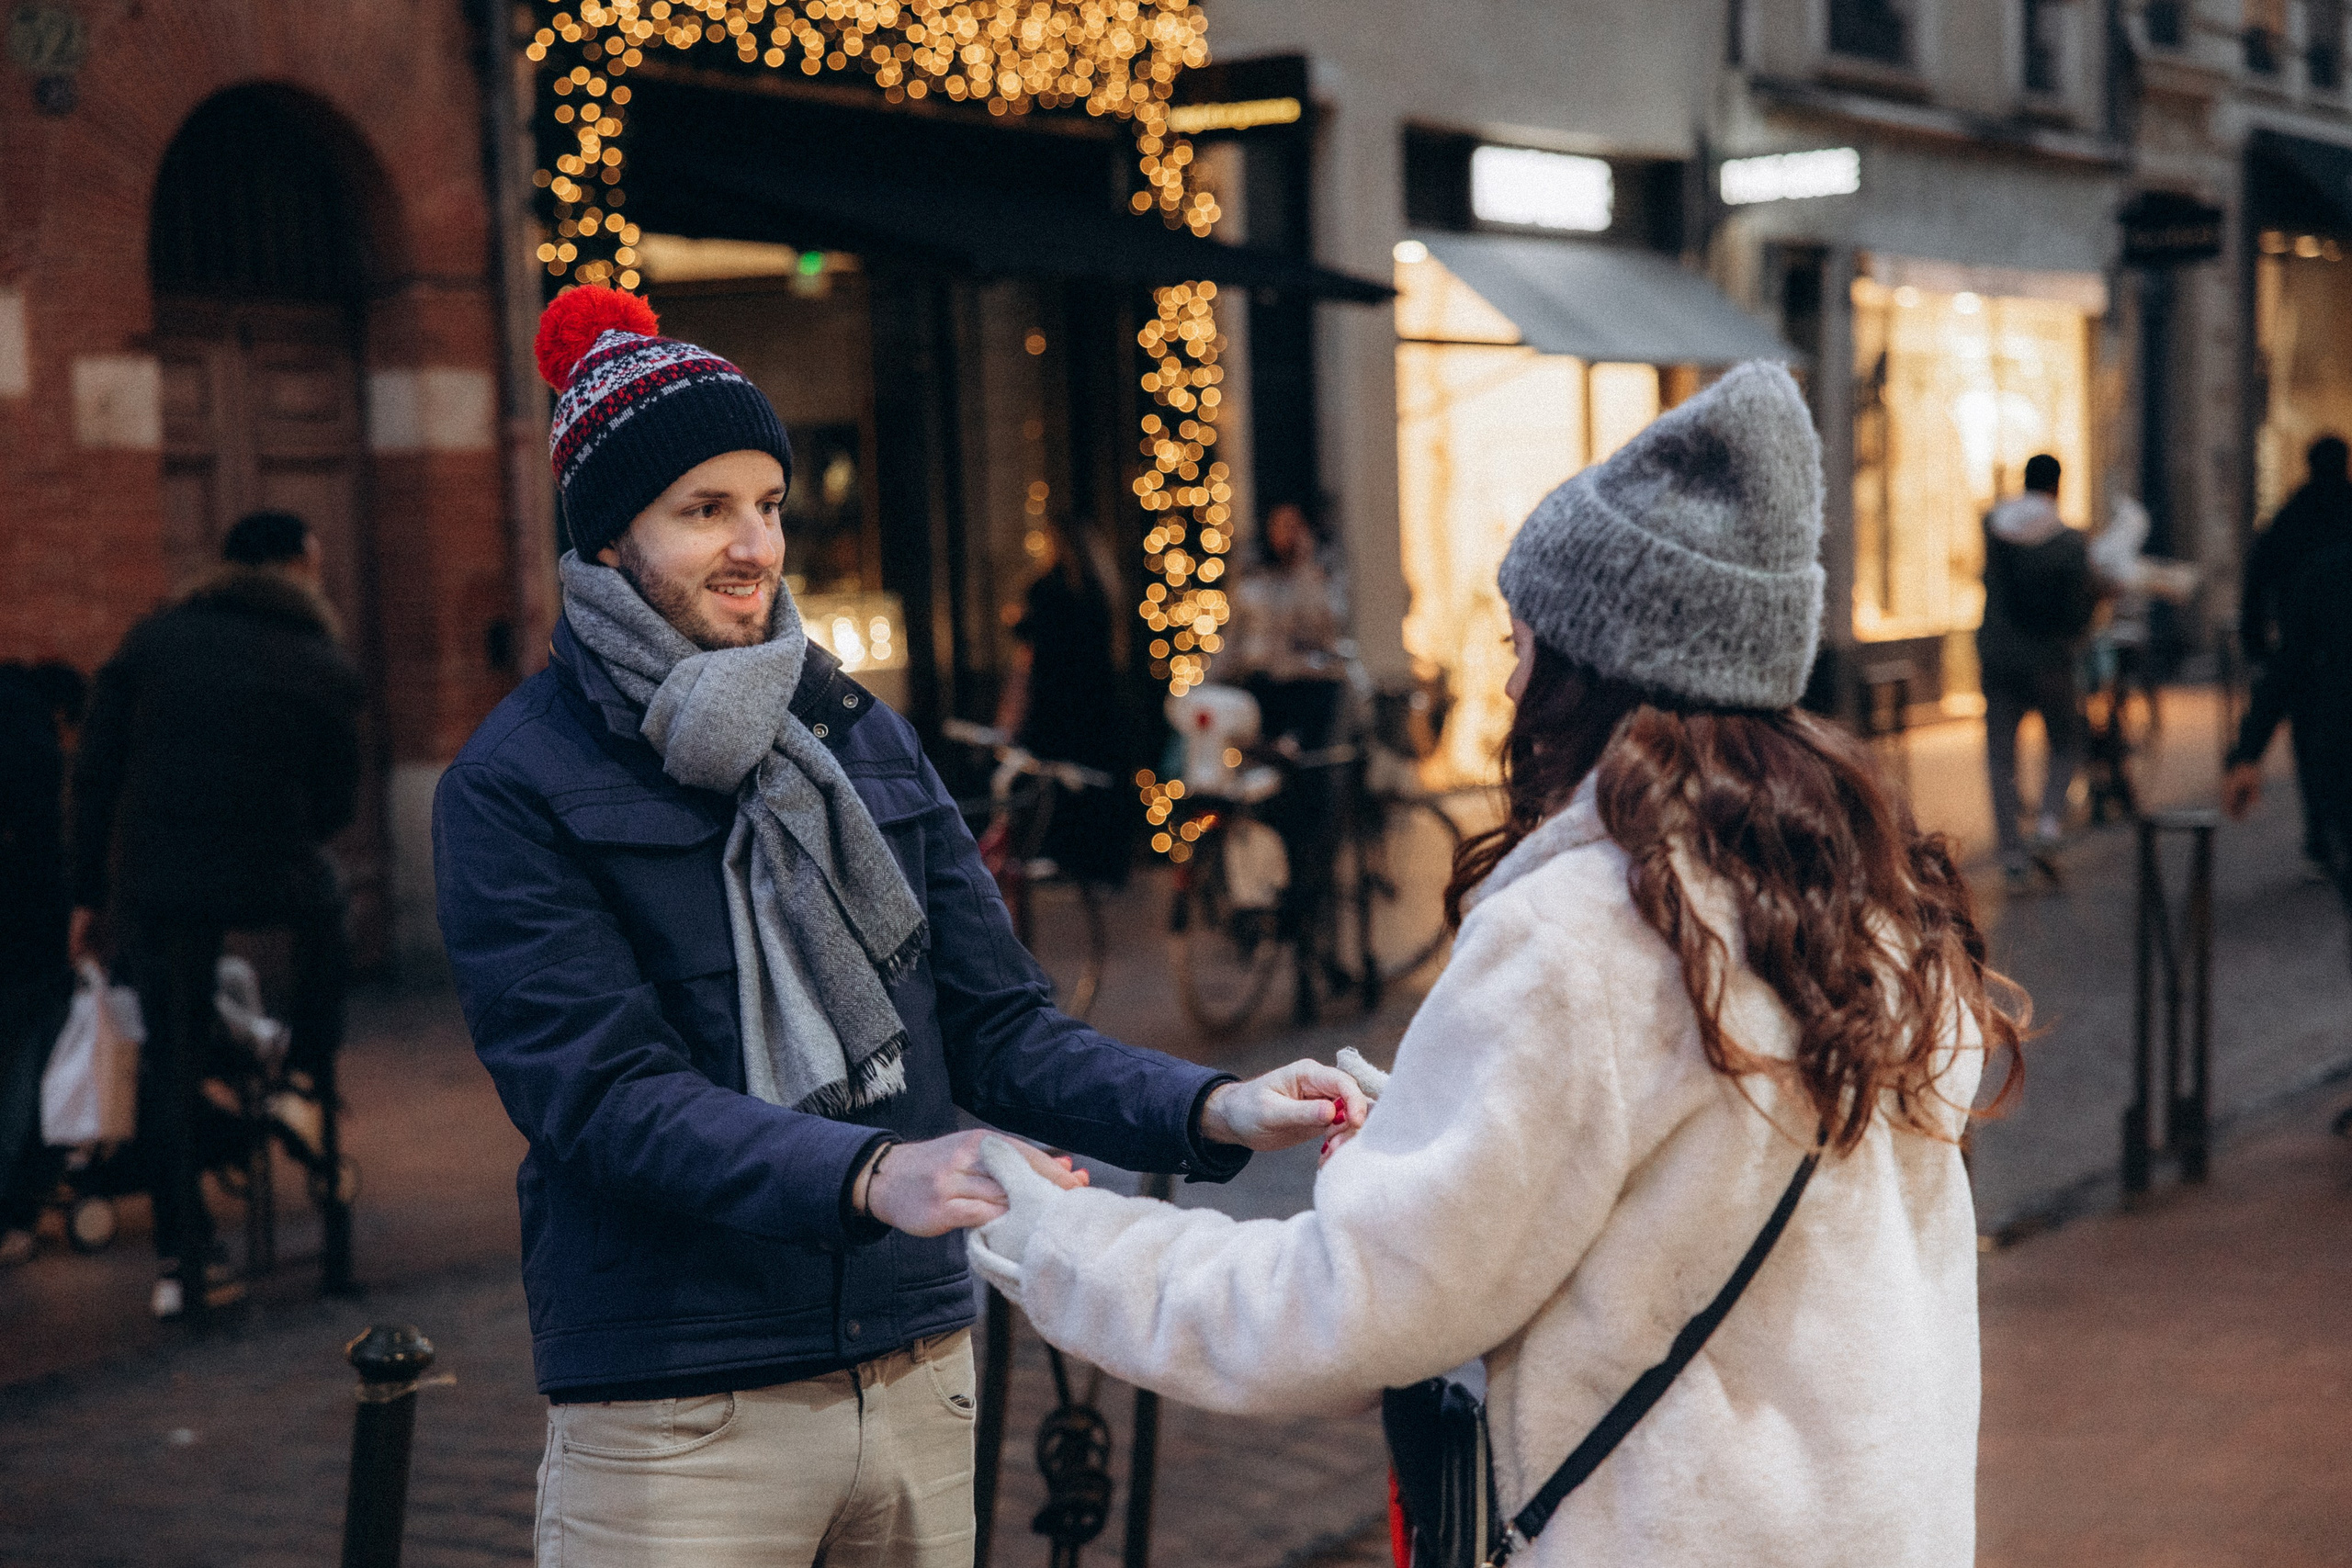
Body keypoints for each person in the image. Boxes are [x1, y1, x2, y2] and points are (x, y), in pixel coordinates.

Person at [970, 364, 2021, 1567]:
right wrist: (1434, 1127)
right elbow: (1690, 1196)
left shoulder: (1588, 928)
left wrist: (1056, 1236)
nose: (1510, 680)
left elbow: (1348, 1304)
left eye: (1521, 641)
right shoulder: (1879, 898)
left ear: (1592, 662)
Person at [432, 287, 1365, 1568]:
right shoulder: (515, 780)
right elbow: (601, 1094)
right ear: (606, 541)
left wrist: (1215, 1106)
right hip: (680, 1398)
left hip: (919, 1364)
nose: (755, 542)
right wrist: (876, 1170)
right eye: (703, 509)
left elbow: (999, 1025)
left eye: (765, 501)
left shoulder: (855, 734)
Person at [69, 510, 365, 1318]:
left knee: (171, 1053)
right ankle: (305, 1066)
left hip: (163, 881)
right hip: (275, 868)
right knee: (329, 901)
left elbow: (96, 776)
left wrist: (88, 894)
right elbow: (339, 799)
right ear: (298, 565)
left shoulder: (151, 642)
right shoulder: (319, 658)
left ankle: (184, 1253)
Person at [1227, 498, 1352, 989]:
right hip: (1264, 699)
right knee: (1254, 807)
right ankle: (1259, 910)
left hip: (1308, 699)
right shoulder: (1252, 575)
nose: (1284, 534)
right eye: (1278, 524)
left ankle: (1313, 942)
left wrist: (1305, 569)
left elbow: (1328, 627)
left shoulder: (1321, 569)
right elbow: (1234, 640)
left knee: (1311, 821)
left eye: (1293, 524)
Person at [1978, 453, 2098, 892]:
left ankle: (2011, 855)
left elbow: (1989, 583)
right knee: (2066, 742)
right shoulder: (2069, 541)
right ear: (2057, 486)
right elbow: (2081, 605)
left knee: (2000, 756)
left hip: (1999, 656)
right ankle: (2048, 825)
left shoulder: (1993, 526)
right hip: (2050, 660)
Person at [992, 514, 1133, 886]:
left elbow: (1029, 649)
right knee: (1086, 782)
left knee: (1053, 782)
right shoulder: (1100, 589)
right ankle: (1095, 864)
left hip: (1054, 702)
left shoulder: (1045, 589)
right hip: (1094, 702)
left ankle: (1057, 858)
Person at [0, 660, 84, 1265]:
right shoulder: (27, 733)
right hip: (26, 934)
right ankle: (12, 1215)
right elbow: (41, 842)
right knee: (25, 1070)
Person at [2240, 434, 2352, 874]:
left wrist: (2256, 645)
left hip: (2307, 656)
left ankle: (2322, 832)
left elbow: (2257, 583)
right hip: (2328, 654)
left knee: (2313, 744)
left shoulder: (2290, 518)